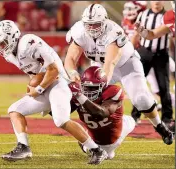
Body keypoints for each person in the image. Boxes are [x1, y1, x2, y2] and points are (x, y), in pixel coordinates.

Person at [0, 20, 108, 164]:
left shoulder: (29, 42)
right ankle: (23, 147)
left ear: (12, 36)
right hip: (46, 86)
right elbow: (34, 74)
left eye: (2, 43)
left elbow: (53, 70)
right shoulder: (10, 55)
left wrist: (38, 89)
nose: (1, 47)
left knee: (61, 120)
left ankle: (96, 150)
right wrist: (33, 85)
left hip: (59, 84)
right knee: (14, 110)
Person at [64, 4, 173, 145]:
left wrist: (101, 85)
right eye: (88, 24)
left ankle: (159, 126)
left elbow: (110, 63)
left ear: (104, 21)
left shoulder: (113, 31)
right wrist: (73, 74)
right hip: (98, 65)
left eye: (96, 24)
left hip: (126, 65)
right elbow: (70, 58)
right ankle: (93, 134)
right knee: (91, 100)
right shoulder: (78, 30)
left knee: (141, 100)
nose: (91, 28)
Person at [68, 66, 135, 160]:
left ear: (103, 86)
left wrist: (79, 95)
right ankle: (87, 144)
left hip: (115, 136)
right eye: (86, 87)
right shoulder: (78, 93)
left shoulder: (113, 91)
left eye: (93, 88)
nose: (88, 91)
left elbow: (100, 114)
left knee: (131, 121)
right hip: (98, 140)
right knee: (108, 155)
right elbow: (61, 113)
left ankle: (84, 145)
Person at [134, 1, 175, 132]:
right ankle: (135, 115)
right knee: (138, 84)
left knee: (164, 87)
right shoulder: (169, 16)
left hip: (161, 54)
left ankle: (167, 118)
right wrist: (141, 31)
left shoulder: (167, 15)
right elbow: (152, 34)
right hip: (145, 52)